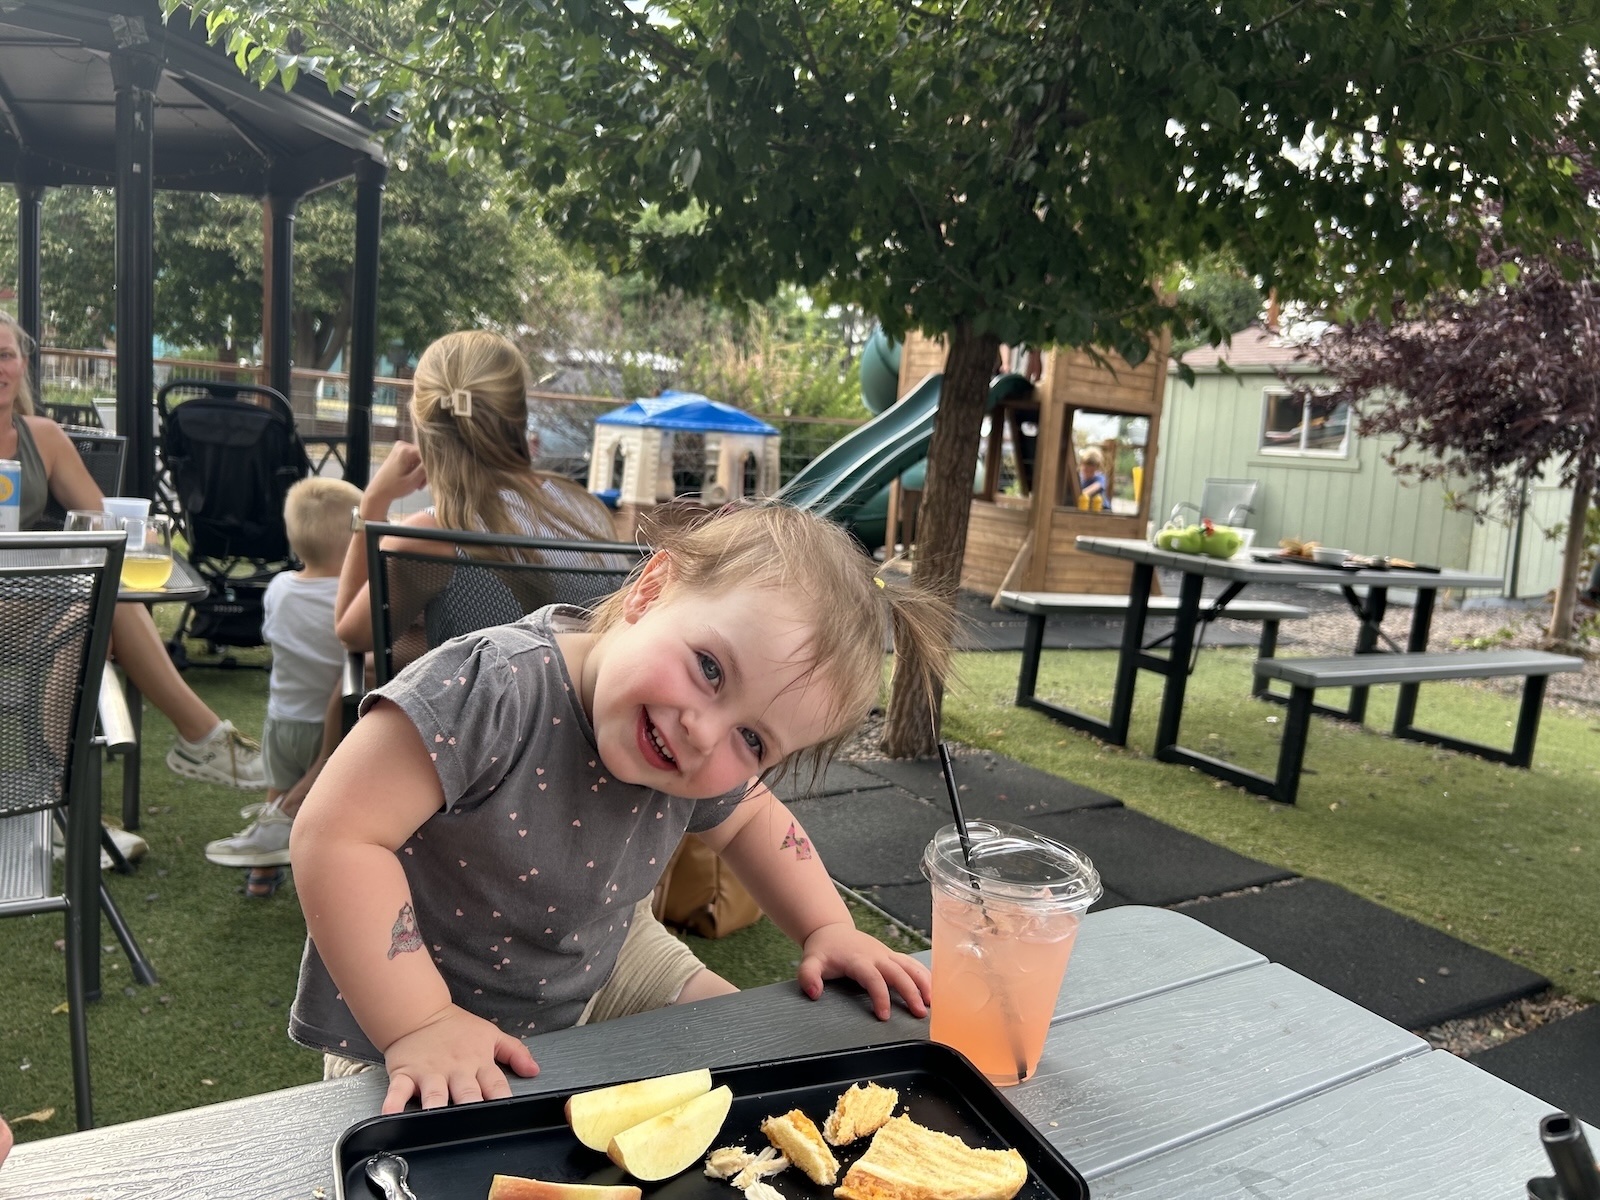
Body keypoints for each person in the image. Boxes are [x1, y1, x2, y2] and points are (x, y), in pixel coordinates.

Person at [288, 502, 955, 1113]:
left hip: (598, 962)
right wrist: (421, 1022)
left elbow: (752, 817)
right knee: (423, 1156)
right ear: (651, 589)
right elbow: (338, 833)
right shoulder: (491, 690)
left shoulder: (691, 742)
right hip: (406, 997)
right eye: (710, 669)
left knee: (757, 1065)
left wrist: (827, 930)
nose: (704, 730)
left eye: (752, 739)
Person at [0, 313, 265, 789]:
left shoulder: (43, 438)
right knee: (102, 615)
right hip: (18, 604)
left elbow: (104, 525)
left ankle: (59, 795)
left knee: (98, 616)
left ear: (22, 364)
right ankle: (201, 741)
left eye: (5, 355)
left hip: (35, 601)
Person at [205, 477, 363, 898]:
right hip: (331, 727)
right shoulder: (351, 601)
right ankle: (322, 884)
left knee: (278, 794)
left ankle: (261, 873)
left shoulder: (278, 589)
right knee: (330, 807)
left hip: (283, 721)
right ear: (355, 546)